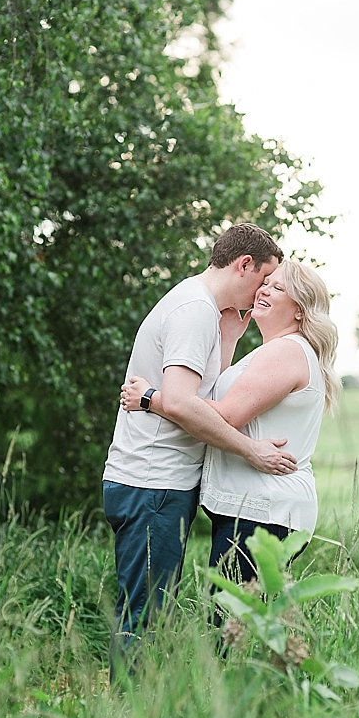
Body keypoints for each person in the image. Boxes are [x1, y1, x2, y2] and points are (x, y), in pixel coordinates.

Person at [102, 223, 297, 675]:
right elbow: (182, 404)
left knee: (151, 609)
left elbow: (203, 397)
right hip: (153, 484)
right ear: (243, 265)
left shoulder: (204, 309)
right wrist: (253, 451)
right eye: (264, 280)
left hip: (159, 483)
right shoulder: (193, 310)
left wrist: (229, 338)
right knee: (146, 616)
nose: (263, 292)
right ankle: (127, 711)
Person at [121, 259, 339, 587]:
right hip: (260, 510)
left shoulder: (285, 352)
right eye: (266, 282)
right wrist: (229, 340)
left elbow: (225, 416)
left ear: (300, 311)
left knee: (227, 625)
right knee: (237, 621)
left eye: (278, 287)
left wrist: (152, 398)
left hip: (264, 512)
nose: (264, 289)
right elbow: (218, 396)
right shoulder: (277, 351)